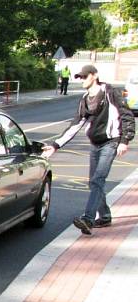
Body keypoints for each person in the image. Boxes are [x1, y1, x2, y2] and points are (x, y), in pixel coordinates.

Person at [42, 64, 135, 234]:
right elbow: (75, 125)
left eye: (85, 77)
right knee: (94, 181)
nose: (82, 80)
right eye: (80, 77)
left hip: (111, 142)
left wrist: (125, 140)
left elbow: (126, 115)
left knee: (97, 180)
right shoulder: (85, 99)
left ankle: (88, 219)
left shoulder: (110, 93)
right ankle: (105, 216)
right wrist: (55, 146)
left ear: (95, 75)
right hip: (95, 144)